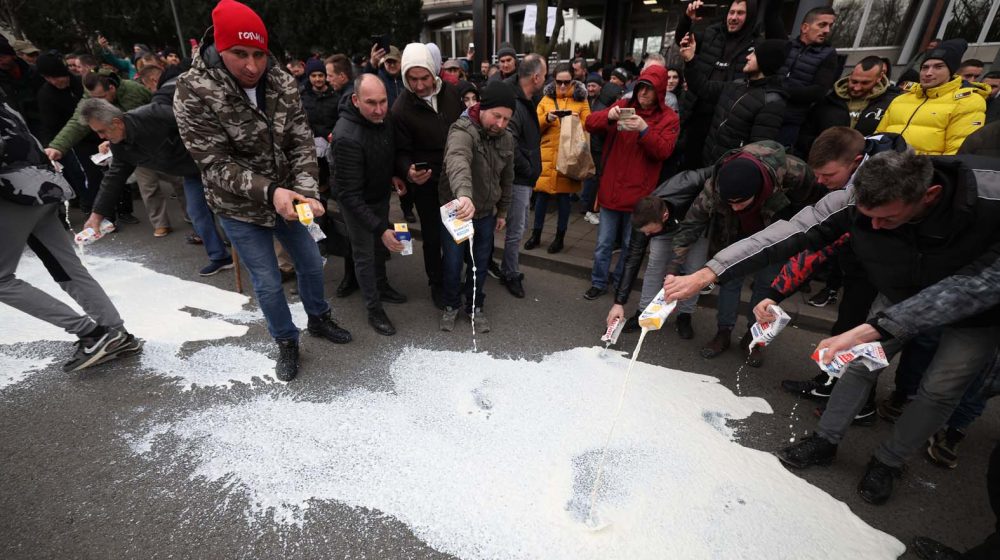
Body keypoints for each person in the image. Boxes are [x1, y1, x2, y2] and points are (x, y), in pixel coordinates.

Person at [662, 150, 1000, 505]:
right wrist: (710, 272)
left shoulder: (990, 199)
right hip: (898, 292)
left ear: (928, 196)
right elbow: (792, 232)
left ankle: (889, 461)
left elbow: (977, 286)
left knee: (939, 390)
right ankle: (825, 440)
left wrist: (872, 329)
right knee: (858, 364)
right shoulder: (852, 198)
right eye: (866, 217)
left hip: (977, 312)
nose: (874, 227)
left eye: (887, 219)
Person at [174, 0, 352, 381]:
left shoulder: (281, 80)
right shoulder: (192, 90)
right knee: (269, 282)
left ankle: (318, 317)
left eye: (259, 54)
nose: (252, 66)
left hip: (289, 197)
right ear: (219, 47)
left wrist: (307, 190)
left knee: (311, 263)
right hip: (238, 206)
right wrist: (271, 192)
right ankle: (286, 340)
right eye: (240, 54)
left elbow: (300, 139)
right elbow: (214, 163)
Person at [0, 90, 141, 373]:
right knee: (67, 267)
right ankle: (115, 332)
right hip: (40, 184)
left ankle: (92, 333)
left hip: (11, 194)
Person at [672, 140, 824, 364]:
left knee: (767, 285)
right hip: (735, 234)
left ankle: (754, 338)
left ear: (759, 191)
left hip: (777, 236)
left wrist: (794, 231)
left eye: (740, 202)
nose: (734, 208)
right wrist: (673, 269)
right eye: (729, 203)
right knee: (729, 280)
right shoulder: (714, 187)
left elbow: (816, 205)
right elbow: (691, 224)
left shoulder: (795, 173)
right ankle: (723, 332)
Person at [77, 91, 233, 277]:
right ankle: (220, 258)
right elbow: (113, 179)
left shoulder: (153, 114)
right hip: (191, 173)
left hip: (213, 163)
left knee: (228, 214)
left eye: (101, 131)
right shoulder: (119, 146)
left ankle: (247, 250)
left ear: (117, 123)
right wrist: (96, 215)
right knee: (197, 213)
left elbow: (199, 122)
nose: (101, 137)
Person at [582, 65, 680, 300]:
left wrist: (645, 130)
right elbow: (589, 123)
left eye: (649, 89)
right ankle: (598, 282)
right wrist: (608, 116)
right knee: (604, 243)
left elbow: (664, 151)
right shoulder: (625, 105)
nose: (643, 93)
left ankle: (620, 283)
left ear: (659, 92)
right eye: (640, 88)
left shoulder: (669, 117)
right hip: (612, 189)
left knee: (630, 245)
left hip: (640, 196)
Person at [330, 74, 407, 336]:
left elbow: (386, 151)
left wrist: (395, 174)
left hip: (379, 193)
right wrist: (381, 228)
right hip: (355, 201)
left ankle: (381, 286)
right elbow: (349, 195)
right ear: (355, 100)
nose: (379, 110)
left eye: (383, 101)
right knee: (364, 253)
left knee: (379, 248)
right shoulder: (346, 136)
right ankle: (374, 309)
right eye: (371, 103)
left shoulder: (384, 119)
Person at [438, 80, 515, 332]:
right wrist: (464, 196)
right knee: (452, 264)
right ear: (483, 107)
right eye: (496, 116)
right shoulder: (461, 130)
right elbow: (457, 160)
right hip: (458, 210)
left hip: (486, 214)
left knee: (479, 264)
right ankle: (451, 305)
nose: (501, 124)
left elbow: (508, 178)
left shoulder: (507, 138)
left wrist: (502, 211)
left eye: (506, 119)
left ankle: (474, 306)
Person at [392, 42, 465, 309]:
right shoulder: (401, 108)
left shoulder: (452, 92)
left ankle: (454, 276)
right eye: (412, 79)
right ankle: (436, 283)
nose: (420, 85)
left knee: (458, 232)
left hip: (456, 178)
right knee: (432, 236)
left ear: (433, 72)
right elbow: (400, 150)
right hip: (427, 183)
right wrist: (408, 170)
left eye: (424, 78)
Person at [45, 71, 152, 227]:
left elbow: (155, 110)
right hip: (127, 148)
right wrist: (57, 147)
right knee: (138, 183)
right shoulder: (91, 99)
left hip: (157, 142)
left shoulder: (134, 90)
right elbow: (77, 123)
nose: (98, 102)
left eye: (101, 97)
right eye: (94, 98)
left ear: (112, 88)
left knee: (179, 182)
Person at [674, 0, 758, 170]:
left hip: (722, 120)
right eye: (731, 12)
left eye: (740, 13)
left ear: (750, 16)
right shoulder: (712, 33)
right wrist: (687, 19)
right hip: (693, 111)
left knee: (708, 170)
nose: (733, 17)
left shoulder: (755, 46)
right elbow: (683, 40)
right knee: (684, 165)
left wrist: (692, 65)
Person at [680, 35, 788, 165]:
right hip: (709, 163)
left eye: (754, 54)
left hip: (729, 170)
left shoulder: (771, 102)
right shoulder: (737, 84)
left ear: (765, 60)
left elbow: (757, 154)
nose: (748, 57)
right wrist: (690, 60)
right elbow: (703, 87)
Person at [876, 39, 989, 155]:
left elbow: (957, 153)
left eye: (938, 67)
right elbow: (877, 138)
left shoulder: (968, 102)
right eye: (925, 67)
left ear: (951, 71)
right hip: (884, 164)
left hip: (925, 166)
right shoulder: (901, 98)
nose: (928, 73)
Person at [524, 63, 591, 255]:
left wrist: (576, 119)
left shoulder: (581, 100)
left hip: (569, 157)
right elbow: (533, 126)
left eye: (566, 82)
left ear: (573, 81)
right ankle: (536, 235)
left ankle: (560, 238)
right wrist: (547, 118)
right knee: (541, 198)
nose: (562, 86)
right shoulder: (545, 99)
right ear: (553, 80)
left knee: (564, 200)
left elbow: (588, 124)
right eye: (559, 82)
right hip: (546, 156)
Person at [493, 53, 545, 298]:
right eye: (544, 75)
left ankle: (505, 267)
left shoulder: (525, 97)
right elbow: (509, 142)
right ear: (535, 77)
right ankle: (510, 273)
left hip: (522, 177)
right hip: (517, 178)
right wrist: (529, 169)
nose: (545, 80)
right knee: (515, 230)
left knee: (517, 227)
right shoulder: (514, 101)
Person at [796, 56, 901, 156]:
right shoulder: (829, 99)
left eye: (865, 83)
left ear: (879, 78)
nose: (857, 88)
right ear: (851, 74)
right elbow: (804, 135)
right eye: (854, 81)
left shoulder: (892, 103)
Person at [768, 6, 839, 149]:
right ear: (805, 27)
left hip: (790, 122)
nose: (827, 30)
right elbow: (771, 16)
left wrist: (780, 90)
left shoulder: (828, 55)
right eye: (822, 25)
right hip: (766, 113)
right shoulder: (787, 46)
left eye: (830, 26)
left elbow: (818, 91)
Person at [300, 58, 338, 187]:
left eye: (320, 75)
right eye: (314, 76)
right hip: (311, 146)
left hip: (332, 144)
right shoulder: (302, 96)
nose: (317, 79)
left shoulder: (335, 95)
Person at [0, 35, 43, 135]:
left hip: (45, 121)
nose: (0, 62)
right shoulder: (2, 83)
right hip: (23, 129)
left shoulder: (35, 72)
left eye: (2, 57)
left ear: (13, 56)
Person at [366, 44, 405, 109]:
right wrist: (371, 64)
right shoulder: (378, 79)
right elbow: (365, 83)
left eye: (394, 61)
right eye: (389, 62)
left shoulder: (406, 78)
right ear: (384, 63)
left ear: (400, 62)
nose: (392, 65)